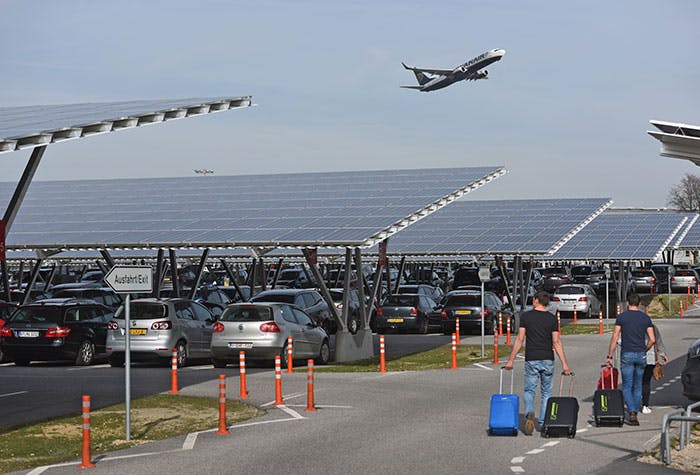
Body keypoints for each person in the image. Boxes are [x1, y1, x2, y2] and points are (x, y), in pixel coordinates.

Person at [505, 290, 571, 435]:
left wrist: (511, 360)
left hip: (532, 358)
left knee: (530, 390)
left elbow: (520, 339)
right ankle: (542, 422)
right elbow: (556, 342)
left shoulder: (526, 317)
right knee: (546, 392)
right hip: (547, 358)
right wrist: (565, 364)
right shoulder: (552, 319)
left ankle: (529, 411)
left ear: (536, 300)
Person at [605, 293, 655, 426]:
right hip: (640, 354)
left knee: (627, 385)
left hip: (627, 354)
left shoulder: (622, 317)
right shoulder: (645, 318)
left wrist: (609, 356)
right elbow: (652, 339)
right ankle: (635, 411)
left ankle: (632, 411)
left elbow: (615, 337)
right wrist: (645, 349)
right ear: (639, 304)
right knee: (638, 384)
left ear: (628, 303)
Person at [641, 324, 668, 414]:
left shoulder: (630, 325)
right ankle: (645, 405)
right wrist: (662, 355)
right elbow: (658, 341)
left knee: (635, 381)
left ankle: (633, 406)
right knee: (646, 381)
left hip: (633, 356)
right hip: (650, 357)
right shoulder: (651, 326)